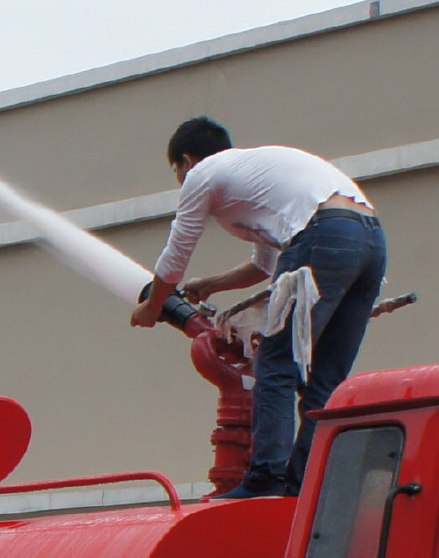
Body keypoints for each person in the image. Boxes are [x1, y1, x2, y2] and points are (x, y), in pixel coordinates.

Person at [127, 116, 387, 498]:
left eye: (178, 172)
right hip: (370, 243)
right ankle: (303, 485)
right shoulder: (255, 174)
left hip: (322, 232)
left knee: (276, 364)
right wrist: (212, 284)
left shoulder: (204, 174)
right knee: (326, 377)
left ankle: (265, 479)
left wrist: (153, 305)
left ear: (186, 160)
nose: (182, 182)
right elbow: (265, 264)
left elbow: (176, 255)